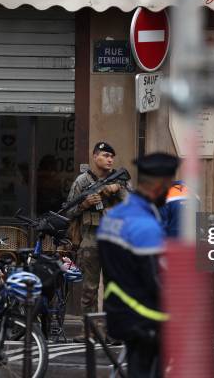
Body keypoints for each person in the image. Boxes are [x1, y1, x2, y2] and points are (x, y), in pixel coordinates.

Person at [97, 152, 179, 378]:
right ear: (159, 185)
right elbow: (155, 282)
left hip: (119, 312)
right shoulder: (145, 226)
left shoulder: (113, 217)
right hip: (146, 320)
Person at [65, 141, 130, 342]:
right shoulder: (82, 182)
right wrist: (84, 204)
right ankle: (90, 330)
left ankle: (113, 330)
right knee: (89, 289)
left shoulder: (120, 180)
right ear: (95, 157)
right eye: (105, 155)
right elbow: (69, 210)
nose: (109, 159)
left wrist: (116, 190)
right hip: (90, 239)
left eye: (112, 156)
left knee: (114, 287)